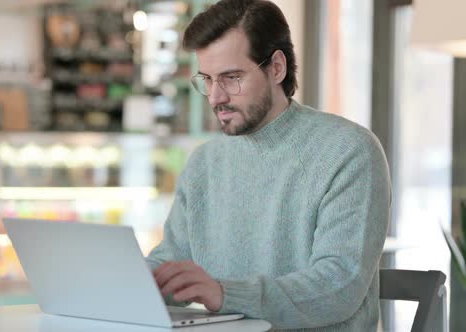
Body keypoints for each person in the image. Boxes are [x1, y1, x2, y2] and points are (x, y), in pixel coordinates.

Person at [145, 0, 391, 330]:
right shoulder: (204, 163)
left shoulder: (349, 151)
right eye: (207, 79)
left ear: (276, 67)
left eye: (231, 78)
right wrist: (135, 280)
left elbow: (339, 286)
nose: (216, 97)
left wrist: (225, 294)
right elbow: (171, 263)